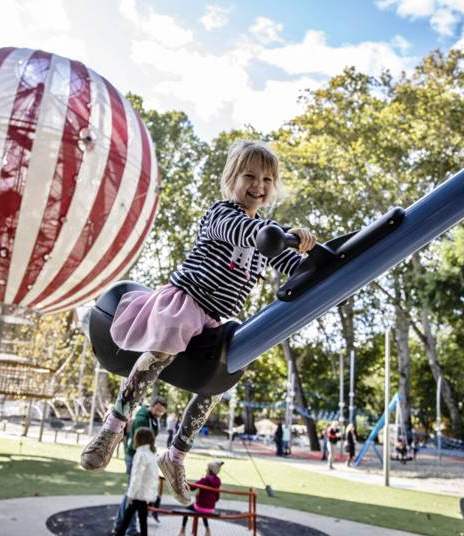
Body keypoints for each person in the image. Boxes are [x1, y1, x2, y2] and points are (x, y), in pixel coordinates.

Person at [81, 140, 316, 505]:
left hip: (214, 317)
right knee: (163, 347)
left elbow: (293, 265)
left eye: (268, 179)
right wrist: (273, 238)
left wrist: (306, 249)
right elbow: (239, 232)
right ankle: (113, 428)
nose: (259, 184)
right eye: (250, 176)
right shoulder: (221, 214)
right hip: (187, 300)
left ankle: (175, 457)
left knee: (221, 376)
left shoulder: (267, 232)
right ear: (231, 180)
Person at [112, 396, 167, 535]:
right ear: (152, 406)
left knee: (133, 496)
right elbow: (140, 440)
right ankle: (127, 529)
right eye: (157, 409)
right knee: (132, 494)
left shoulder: (153, 418)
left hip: (144, 454)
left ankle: (120, 526)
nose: (159, 413)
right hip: (136, 455)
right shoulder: (143, 419)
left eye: (162, 411)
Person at [114, 427, 159, 536]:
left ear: (138, 439)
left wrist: (131, 495)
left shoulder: (140, 454)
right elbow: (154, 477)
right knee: (142, 520)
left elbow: (136, 477)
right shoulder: (151, 454)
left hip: (138, 494)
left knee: (127, 519)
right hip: (145, 493)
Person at [179, 460, 224, 536]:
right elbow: (217, 498)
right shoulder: (218, 482)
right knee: (204, 510)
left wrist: (184, 483)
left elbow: (192, 488)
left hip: (200, 507)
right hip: (211, 508)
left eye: (207, 469)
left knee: (186, 510)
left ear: (209, 470)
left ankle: (182, 531)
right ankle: (208, 531)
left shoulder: (204, 480)